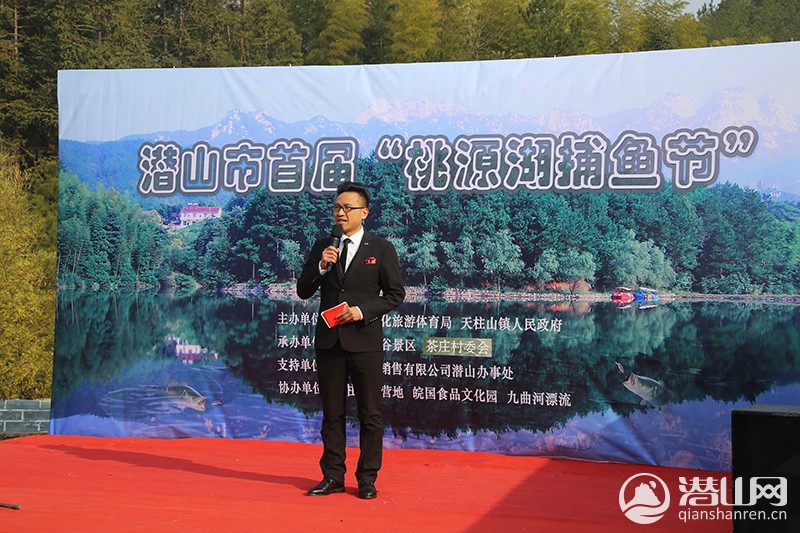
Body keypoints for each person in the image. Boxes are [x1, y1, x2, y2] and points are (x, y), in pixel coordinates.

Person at [296, 181, 405, 500]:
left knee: (370, 414)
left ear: (364, 213)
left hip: (365, 342)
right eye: (337, 207)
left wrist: (361, 311)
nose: (340, 213)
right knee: (332, 413)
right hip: (329, 342)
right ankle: (332, 476)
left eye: (347, 208)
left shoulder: (381, 248)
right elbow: (303, 290)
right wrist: (321, 266)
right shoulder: (323, 246)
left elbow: (395, 294)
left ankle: (367, 478)